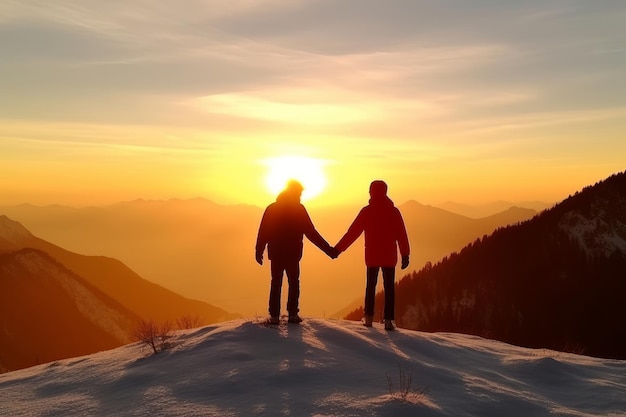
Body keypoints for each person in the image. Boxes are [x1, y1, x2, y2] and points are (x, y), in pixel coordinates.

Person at [256, 180, 338, 324]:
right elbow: (312, 233)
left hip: (276, 253)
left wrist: (259, 250)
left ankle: (274, 315)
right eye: (299, 193)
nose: (300, 196)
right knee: (294, 282)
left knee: (276, 283)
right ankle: (292, 314)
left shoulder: (272, 208)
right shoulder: (299, 210)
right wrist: (329, 250)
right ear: (295, 192)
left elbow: (263, 232)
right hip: (293, 254)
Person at [334, 180, 410, 330]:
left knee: (370, 286)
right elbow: (402, 234)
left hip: (372, 255)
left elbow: (352, 233)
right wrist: (405, 254)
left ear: (372, 192)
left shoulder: (367, 211)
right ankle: (389, 320)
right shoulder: (393, 212)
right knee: (389, 288)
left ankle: (368, 317)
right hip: (389, 256)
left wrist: (337, 250)